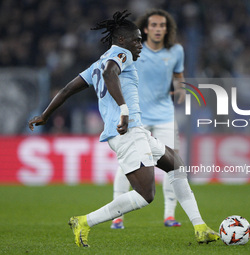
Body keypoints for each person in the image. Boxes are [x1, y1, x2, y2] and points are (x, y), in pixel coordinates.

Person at [28, 10, 219, 248]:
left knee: (176, 164)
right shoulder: (121, 54)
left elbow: (67, 89)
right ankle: (84, 221)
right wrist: (124, 110)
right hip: (126, 131)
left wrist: (45, 115)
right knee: (146, 194)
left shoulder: (96, 64)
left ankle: (200, 227)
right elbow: (110, 72)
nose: (140, 44)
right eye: (137, 39)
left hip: (135, 131)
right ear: (122, 40)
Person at [111, 9, 185, 229]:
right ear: (145, 28)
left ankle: (169, 216)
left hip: (164, 116)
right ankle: (117, 216)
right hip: (137, 117)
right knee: (128, 164)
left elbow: (179, 76)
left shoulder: (176, 51)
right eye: (154, 25)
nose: (158, 29)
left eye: (162, 25)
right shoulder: (135, 50)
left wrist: (180, 89)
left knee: (173, 164)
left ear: (167, 29)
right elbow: (114, 73)